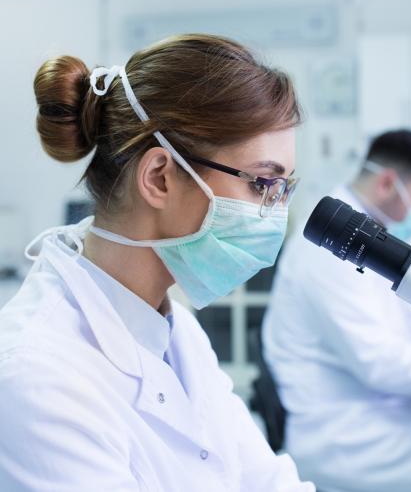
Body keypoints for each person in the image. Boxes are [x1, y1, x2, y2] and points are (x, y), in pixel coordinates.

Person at [0, 34, 315, 491]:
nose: (275, 213)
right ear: (159, 178)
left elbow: (266, 481)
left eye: (283, 188)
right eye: (262, 183)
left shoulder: (176, 330)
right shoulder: (38, 375)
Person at [263, 129, 411, 492]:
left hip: (386, 422)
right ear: (388, 183)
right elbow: (383, 363)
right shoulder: (330, 249)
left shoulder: (368, 237)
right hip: (352, 443)